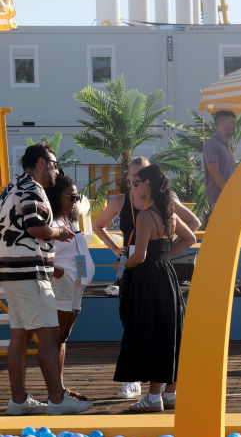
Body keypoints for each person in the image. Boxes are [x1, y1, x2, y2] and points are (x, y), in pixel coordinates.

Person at [94, 156, 200, 401]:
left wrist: (121, 261)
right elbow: (190, 238)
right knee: (169, 331)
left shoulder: (146, 216)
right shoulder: (167, 212)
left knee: (146, 331)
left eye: (138, 181)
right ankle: (170, 393)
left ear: (148, 184)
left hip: (145, 278)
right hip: (167, 275)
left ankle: (152, 396)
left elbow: (139, 256)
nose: (134, 185)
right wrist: (163, 255)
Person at [0, 144, 91, 415]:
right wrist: (58, 232)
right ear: (40, 163)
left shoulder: (10, 188)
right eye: (53, 164)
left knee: (19, 336)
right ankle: (57, 400)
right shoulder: (32, 189)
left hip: (11, 273)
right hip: (30, 273)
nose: (56, 170)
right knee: (50, 335)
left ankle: (19, 401)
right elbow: (34, 226)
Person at [46, 175, 96, 401]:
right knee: (56, 336)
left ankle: (61, 387)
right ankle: (55, 392)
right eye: (71, 196)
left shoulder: (69, 221)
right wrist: (52, 270)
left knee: (64, 336)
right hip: (62, 283)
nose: (75, 201)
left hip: (76, 283)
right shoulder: (50, 222)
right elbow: (38, 249)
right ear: (57, 197)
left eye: (77, 197)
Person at [203, 110, 237, 214]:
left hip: (228, 198)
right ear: (222, 123)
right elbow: (213, 171)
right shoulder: (211, 144)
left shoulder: (227, 145)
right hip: (219, 199)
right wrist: (228, 192)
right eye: (232, 122)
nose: (235, 126)